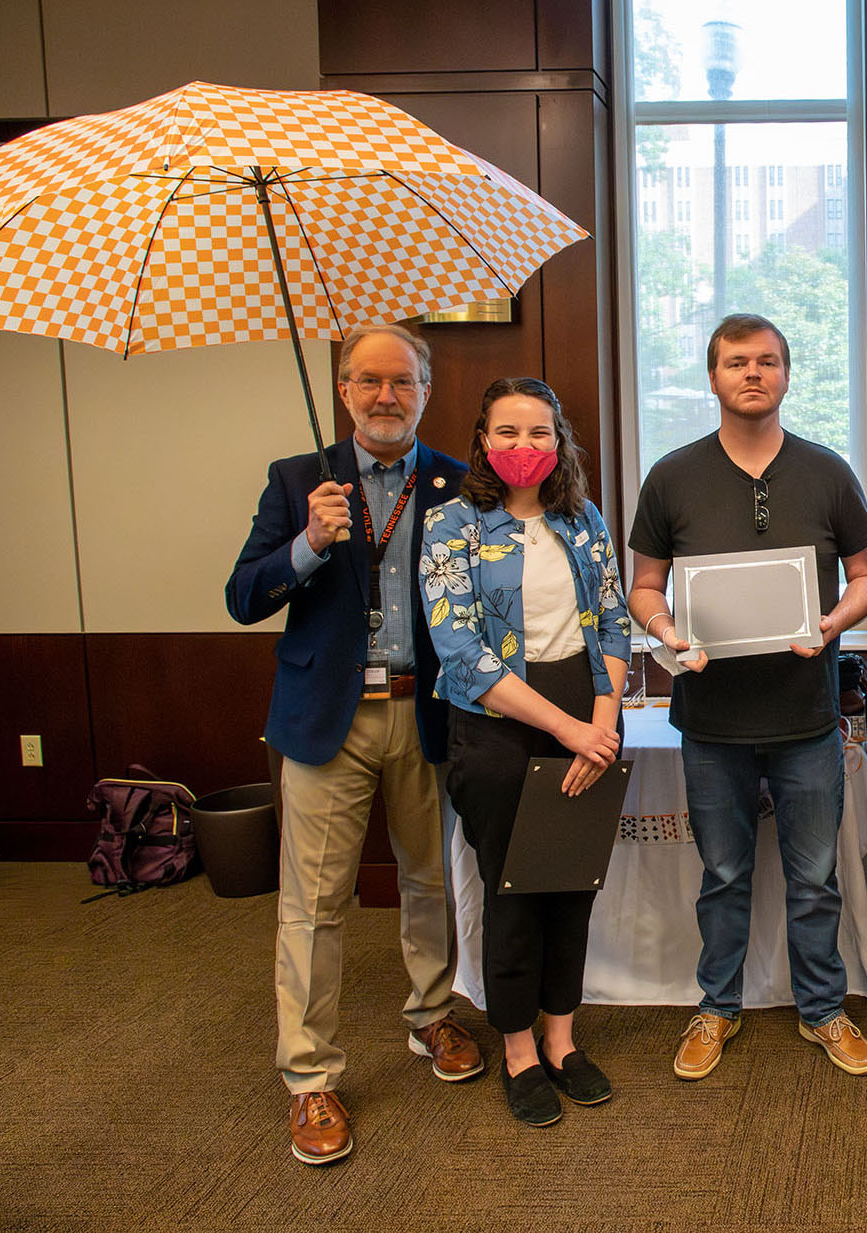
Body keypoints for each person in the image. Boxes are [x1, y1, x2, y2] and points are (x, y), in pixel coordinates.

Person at [226, 323, 482, 1166]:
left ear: (424, 391)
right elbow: (242, 596)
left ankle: (431, 1016)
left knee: (427, 879)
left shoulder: (454, 481)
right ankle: (310, 1076)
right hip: (327, 718)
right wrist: (307, 544)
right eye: (368, 381)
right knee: (315, 902)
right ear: (343, 392)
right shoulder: (298, 480)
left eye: (401, 382)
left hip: (427, 711)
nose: (385, 396)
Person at [628, 313, 867, 1081]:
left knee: (813, 878)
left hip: (806, 717)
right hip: (709, 722)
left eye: (767, 361)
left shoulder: (828, 472)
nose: (753, 373)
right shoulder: (672, 475)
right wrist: (668, 630)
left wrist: (833, 622)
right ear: (712, 377)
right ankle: (717, 1006)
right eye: (737, 362)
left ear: (786, 374)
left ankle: (823, 1009)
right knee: (724, 876)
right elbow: (644, 586)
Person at [422, 377, 630, 1129]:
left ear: (559, 441)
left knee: (572, 883)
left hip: (586, 705)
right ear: (483, 439)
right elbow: (463, 653)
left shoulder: (582, 519)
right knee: (512, 892)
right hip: (497, 724)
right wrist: (573, 731)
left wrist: (601, 722)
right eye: (507, 432)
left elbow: (613, 624)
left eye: (538, 433)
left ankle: (562, 1041)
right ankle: (517, 1050)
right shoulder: (453, 526)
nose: (523, 447)